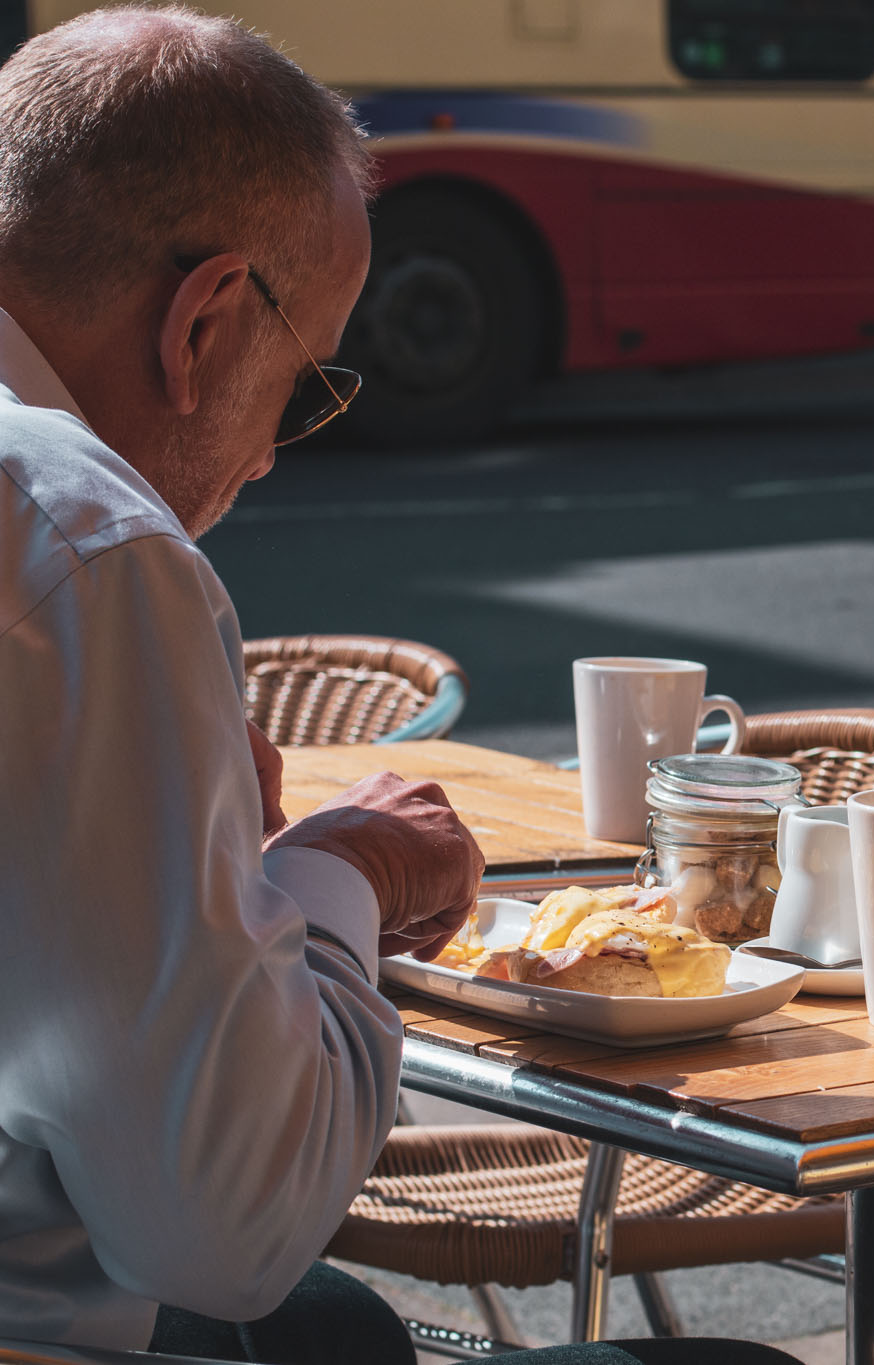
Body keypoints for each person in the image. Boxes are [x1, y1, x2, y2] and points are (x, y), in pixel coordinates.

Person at [0, 9, 797, 1364]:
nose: (263, 462)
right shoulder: (87, 545)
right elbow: (226, 1226)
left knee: (342, 1327)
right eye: (302, 391)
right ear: (202, 322)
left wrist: (182, 877)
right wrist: (344, 873)